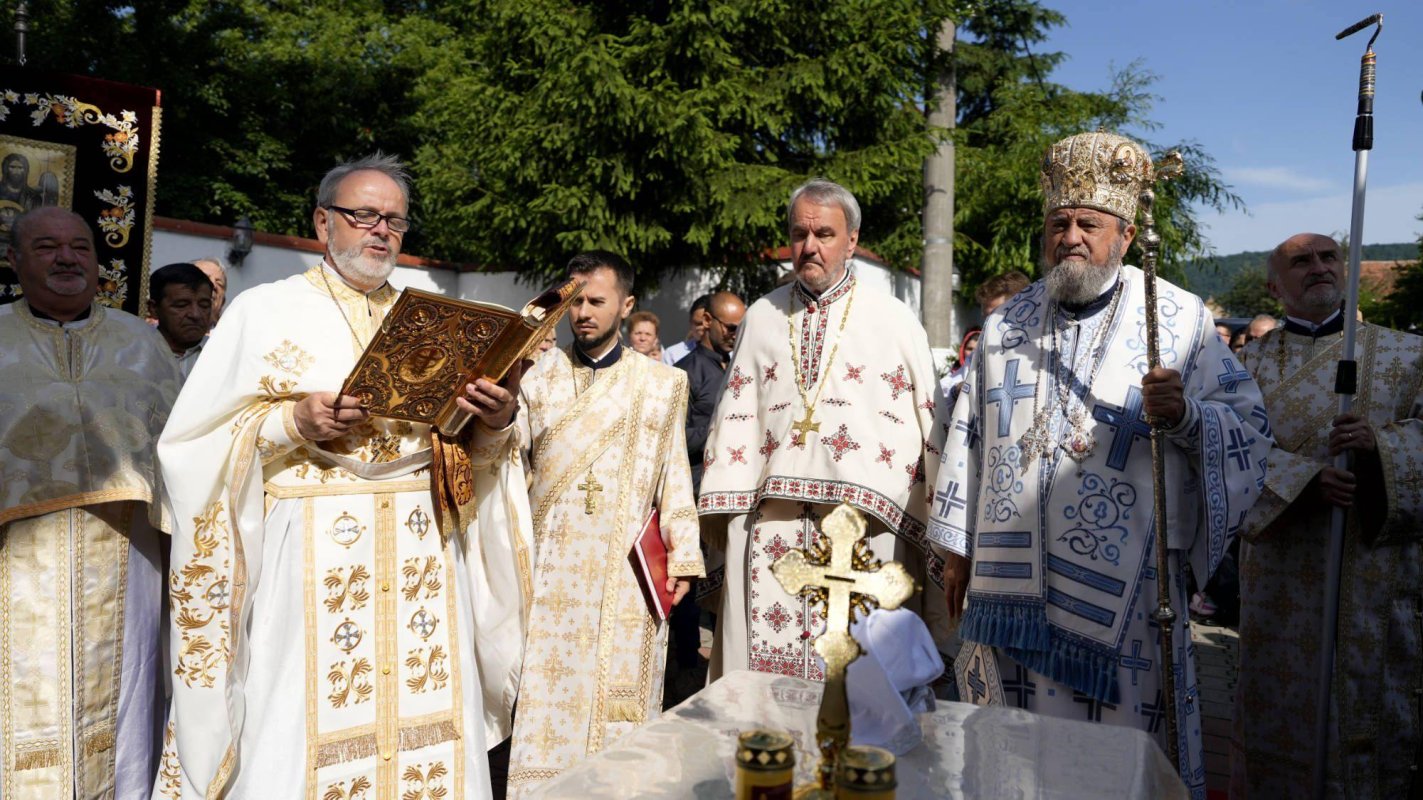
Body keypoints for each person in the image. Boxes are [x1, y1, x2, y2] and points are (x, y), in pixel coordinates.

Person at [155, 154, 532, 799]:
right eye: (363, 216)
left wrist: (496, 420)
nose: (380, 231)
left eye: (394, 220)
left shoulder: (440, 314)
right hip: (311, 548)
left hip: (422, 550)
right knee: (298, 712)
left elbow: (468, 453)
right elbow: (192, 443)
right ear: (323, 223)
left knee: (430, 714)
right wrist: (291, 425)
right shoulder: (262, 312)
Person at [929, 131, 1271, 797]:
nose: (1071, 237)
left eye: (1089, 223)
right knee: (1012, 755)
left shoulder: (1176, 320)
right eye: (1058, 223)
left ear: (1124, 232)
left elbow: (1250, 429)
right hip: (1011, 598)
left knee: (1114, 761)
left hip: (1132, 597)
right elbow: (963, 434)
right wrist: (955, 551)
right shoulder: (1007, 325)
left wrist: (1186, 417)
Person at [697, 178, 949, 681]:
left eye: (825, 234)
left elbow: (927, 423)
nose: (809, 246)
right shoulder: (762, 316)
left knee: (863, 679)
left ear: (852, 240)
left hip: (866, 530)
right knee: (763, 684)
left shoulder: (894, 320)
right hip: (771, 527)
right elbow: (737, 418)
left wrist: (940, 525)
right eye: (799, 234)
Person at [1231, 233, 1423, 798]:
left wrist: (1380, 450)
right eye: (1300, 261)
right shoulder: (1245, 365)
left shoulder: (1409, 355)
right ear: (1274, 285)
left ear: (1346, 269)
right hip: (1283, 568)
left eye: (1327, 257)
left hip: (1374, 565)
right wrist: (1304, 479)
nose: (1318, 267)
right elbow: (1223, 446)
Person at [507, 251, 704, 795]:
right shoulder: (535, 380)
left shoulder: (663, 385)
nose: (584, 313)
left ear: (627, 305)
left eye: (596, 301)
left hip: (626, 576)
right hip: (549, 575)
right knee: (548, 703)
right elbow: (507, 469)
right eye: (575, 301)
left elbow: (674, 475)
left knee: (622, 712)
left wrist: (682, 551)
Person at [0, 207, 179, 798]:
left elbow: (185, 449)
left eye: (80, 246)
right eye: (48, 246)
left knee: (124, 700)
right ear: (15, 259)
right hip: (12, 562)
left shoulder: (143, 345)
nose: (67, 258)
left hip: (129, 557)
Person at [676, 290, 746, 491]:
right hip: (699, 487)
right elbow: (674, 439)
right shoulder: (684, 373)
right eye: (731, 328)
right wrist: (719, 427)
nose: (735, 336)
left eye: (741, 329)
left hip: (735, 483)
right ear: (707, 320)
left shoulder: (738, 368)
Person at [149, 261, 215, 380]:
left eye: (204, 305)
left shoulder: (224, 355)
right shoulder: (134, 353)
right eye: (181, 305)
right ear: (153, 309)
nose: (195, 314)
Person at [661, 293, 711, 366]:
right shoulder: (673, 354)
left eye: (708, 323)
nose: (702, 328)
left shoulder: (730, 356)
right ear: (690, 322)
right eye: (698, 323)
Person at [193, 258, 228, 323]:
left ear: (222, 302)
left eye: (219, 284)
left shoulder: (231, 332)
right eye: (205, 278)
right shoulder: (170, 329)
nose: (213, 284)